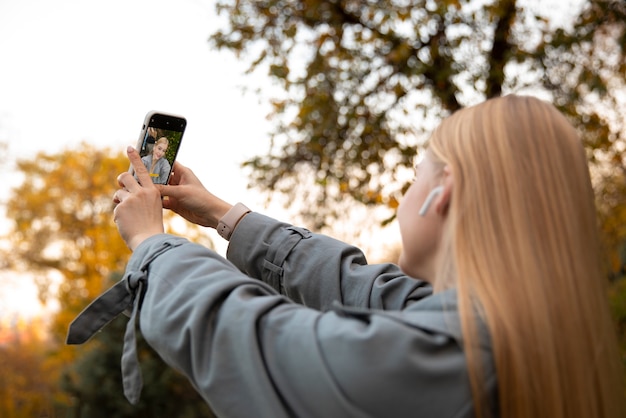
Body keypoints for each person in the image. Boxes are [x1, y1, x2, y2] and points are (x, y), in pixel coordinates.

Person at [67, 95, 625, 417]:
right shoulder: (523, 334)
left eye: (414, 177)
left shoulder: (453, 355)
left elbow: (253, 345)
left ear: (443, 190)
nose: (407, 192)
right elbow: (363, 289)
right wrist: (220, 215)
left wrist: (151, 244)